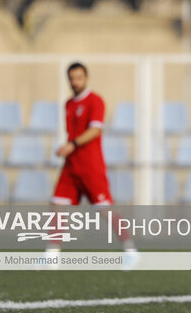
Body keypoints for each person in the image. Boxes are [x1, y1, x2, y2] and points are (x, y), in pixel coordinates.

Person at [51, 62, 136, 264]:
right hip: (71, 166)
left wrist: (72, 144)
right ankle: (51, 256)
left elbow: (95, 130)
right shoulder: (68, 104)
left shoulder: (95, 101)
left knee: (105, 209)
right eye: (72, 78)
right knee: (57, 205)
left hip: (91, 166)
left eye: (79, 78)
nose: (75, 82)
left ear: (86, 78)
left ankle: (131, 250)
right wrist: (68, 148)